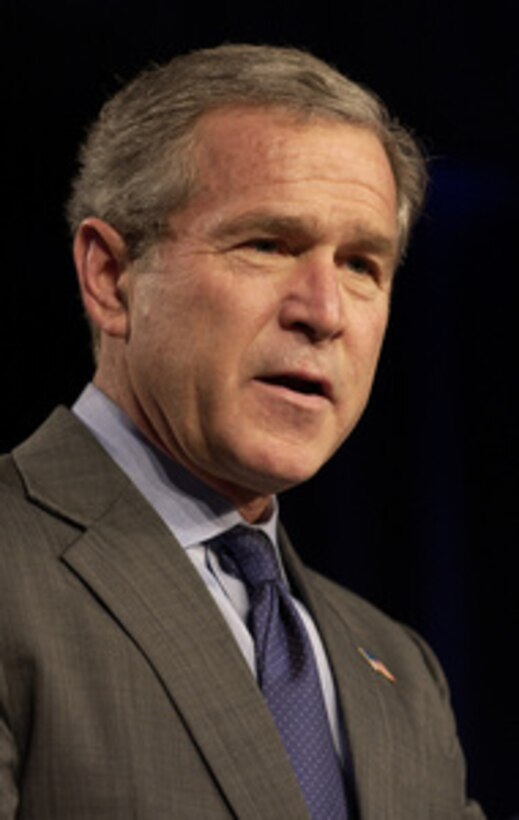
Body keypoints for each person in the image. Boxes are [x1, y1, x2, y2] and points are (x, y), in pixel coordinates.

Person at [0, 44, 484, 818]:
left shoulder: (399, 669)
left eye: (362, 264)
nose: (323, 312)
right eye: (267, 245)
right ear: (109, 277)